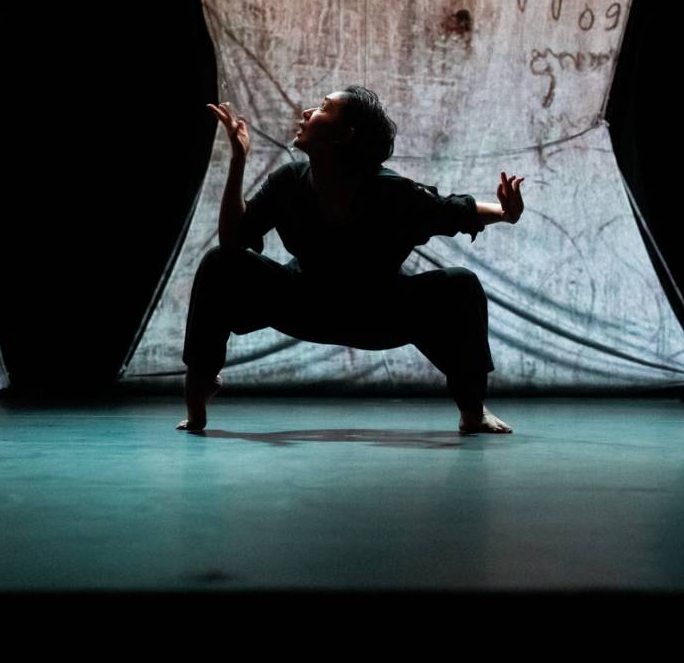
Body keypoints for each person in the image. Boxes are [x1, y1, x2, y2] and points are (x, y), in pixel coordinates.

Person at [178, 85, 525, 435]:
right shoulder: (289, 182)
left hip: (376, 311)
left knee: (460, 284)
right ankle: (199, 396)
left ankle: (472, 410)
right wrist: (238, 161)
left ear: (345, 135)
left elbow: (453, 210)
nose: (307, 113)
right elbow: (234, 240)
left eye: (322, 108)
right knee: (219, 263)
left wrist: (504, 212)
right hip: (305, 302)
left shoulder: (392, 193)